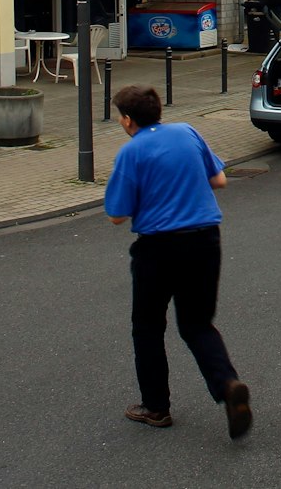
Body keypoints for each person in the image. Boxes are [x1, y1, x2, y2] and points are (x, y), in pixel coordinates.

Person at [103, 83, 253, 439]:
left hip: (158, 248)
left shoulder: (132, 152)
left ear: (127, 120)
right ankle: (228, 385)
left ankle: (156, 407)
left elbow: (116, 214)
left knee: (148, 327)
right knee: (198, 324)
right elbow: (219, 179)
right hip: (205, 240)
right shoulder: (187, 132)